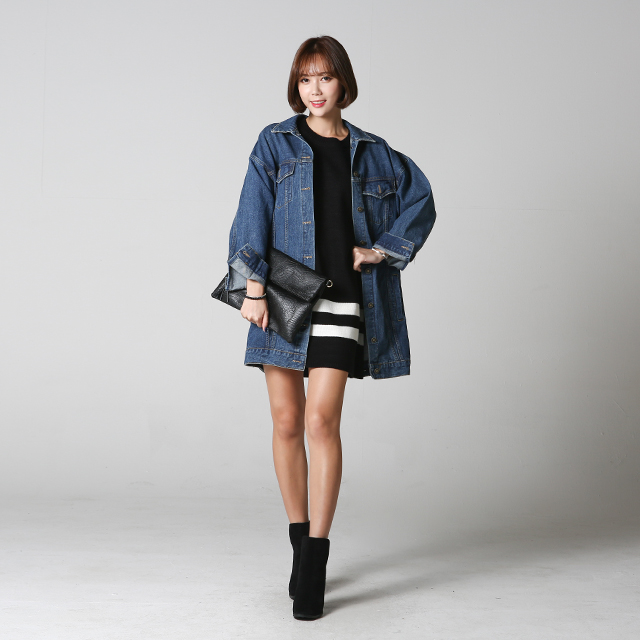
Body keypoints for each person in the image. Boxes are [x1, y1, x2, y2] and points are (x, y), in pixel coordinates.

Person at [223, 35, 436, 620]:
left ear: (344, 82)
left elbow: (421, 200)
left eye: (324, 77)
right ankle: (298, 542)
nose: (314, 90)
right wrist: (253, 289)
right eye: (304, 79)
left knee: (321, 421)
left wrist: (382, 250)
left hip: (343, 301)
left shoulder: (374, 153)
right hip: (283, 297)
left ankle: (316, 557)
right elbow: (250, 214)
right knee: (286, 421)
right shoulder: (276, 142)